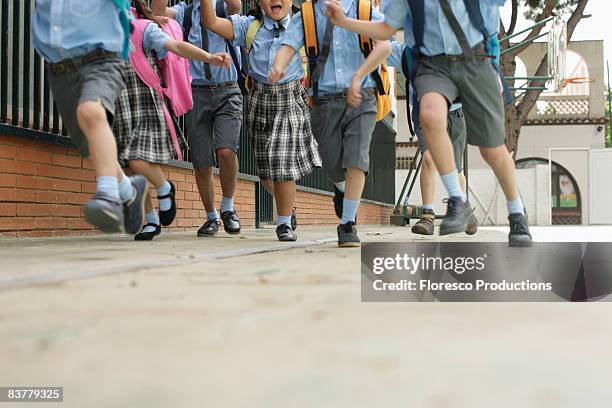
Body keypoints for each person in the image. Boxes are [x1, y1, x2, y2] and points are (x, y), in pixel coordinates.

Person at [324, 0, 532, 247]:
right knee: (430, 115)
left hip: (476, 59)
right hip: (433, 65)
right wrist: (344, 21)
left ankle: (516, 212)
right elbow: (385, 29)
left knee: (492, 150)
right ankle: (457, 200)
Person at [269, 0, 389, 247]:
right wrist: (278, 66)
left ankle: (347, 224)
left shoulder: (363, 9)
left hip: (362, 96)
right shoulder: (308, 13)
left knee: (356, 158)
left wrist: (359, 75)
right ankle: (344, 190)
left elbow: (384, 45)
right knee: (332, 163)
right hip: (323, 100)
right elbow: (289, 44)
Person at [200, 0, 322, 241]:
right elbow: (211, 22)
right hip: (259, 100)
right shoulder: (249, 27)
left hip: (290, 99)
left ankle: (284, 223)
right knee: (266, 173)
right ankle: (289, 207)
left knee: (283, 165)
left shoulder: (304, 25)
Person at [115, 0, 232, 241]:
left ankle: (165, 188)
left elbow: (177, 46)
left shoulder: (143, 29)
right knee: (129, 168)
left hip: (145, 104)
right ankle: (152, 219)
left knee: (137, 161)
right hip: (120, 108)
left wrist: (209, 57)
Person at [31, 0, 148, 234]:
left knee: (90, 112)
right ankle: (129, 191)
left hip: (102, 58)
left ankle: (108, 196)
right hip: (60, 69)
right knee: (91, 141)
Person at [152, 0, 244, 238]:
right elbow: (158, 14)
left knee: (226, 150)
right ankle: (211, 216)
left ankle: (228, 207)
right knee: (202, 160)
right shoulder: (184, 11)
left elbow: (237, 6)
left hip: (228, 89)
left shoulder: (224, 7)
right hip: (196, 93)